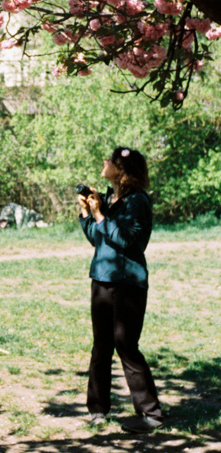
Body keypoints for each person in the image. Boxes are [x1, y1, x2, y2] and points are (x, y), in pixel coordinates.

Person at [77, 146, 163, 431]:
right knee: (101, 347)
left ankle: (151, 414)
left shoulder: (137, 201)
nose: (105, 162)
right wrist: (87, 213)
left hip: (128, 283)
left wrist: (100, 214)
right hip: (102, 279)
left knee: (126, 346)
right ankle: (97, 410)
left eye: (111, 160)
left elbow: (125, 240)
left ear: (123, 171)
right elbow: (97, 238)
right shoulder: (111, 200)